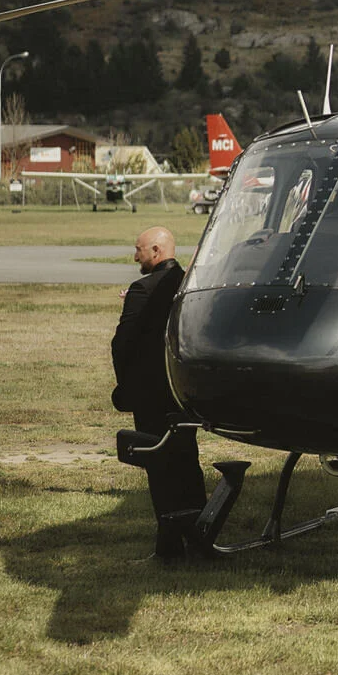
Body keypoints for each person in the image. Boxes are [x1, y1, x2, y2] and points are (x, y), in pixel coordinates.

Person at [111, 225, 206, 561]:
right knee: (187, 461)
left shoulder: (143, 288)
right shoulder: (191, 285)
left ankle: (168, 546)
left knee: (159, 467)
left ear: (155, 251)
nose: (135, 256)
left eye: (138, 250)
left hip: (152, 395)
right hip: (183, 391)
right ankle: (200, 534)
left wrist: (125, 388)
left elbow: (122, 344)